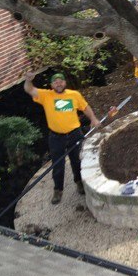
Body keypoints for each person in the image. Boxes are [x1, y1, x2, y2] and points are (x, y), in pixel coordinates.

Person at [24, 71, 101, 204]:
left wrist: (93, 118)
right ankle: (58, 190)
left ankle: (79, 182)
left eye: (61, 81)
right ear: (52, 85)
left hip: (74, 133)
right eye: (55, 82)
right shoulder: (46, 95)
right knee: (57, 164)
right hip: (56, 137)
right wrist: (28, 80)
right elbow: (29, 89)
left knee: (77, 161)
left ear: (65, 83)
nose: (58, 83)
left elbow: (85, 107)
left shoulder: (74, 95)